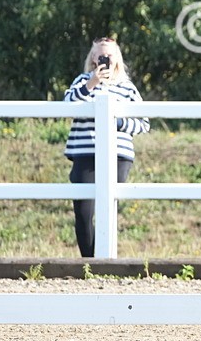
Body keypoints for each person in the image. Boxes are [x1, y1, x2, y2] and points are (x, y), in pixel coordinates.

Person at [62, 37, 150, 257]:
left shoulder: (127, 88)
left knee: (107, 208)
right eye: (100, 55)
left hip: (118, 154)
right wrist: (91, 83)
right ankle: (89, 261)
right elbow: (66, 106)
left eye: (109, 56)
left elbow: (143, 123)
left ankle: (106, 260)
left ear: (117, 59)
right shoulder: (82, 80)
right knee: (83, 211)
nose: (104, 59)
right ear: (93, 58)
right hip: (85, 152)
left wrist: (116, 122)